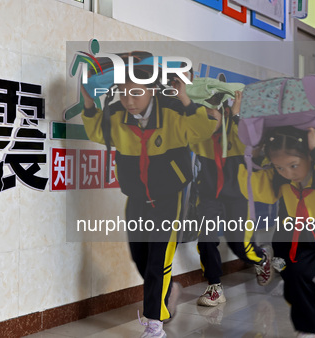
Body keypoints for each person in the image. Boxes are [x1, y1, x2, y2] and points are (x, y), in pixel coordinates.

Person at [81, 56, 218, 338]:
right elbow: (97, 132)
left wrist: (185, 100)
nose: (129, 100)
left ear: (152, 90)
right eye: (123, 92)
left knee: (158, 261)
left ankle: (154, 324)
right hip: (137, 198)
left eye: (135, 92)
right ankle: (170, 293)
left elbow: (204, 129)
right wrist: (88, 103)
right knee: (140, 257)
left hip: (169, 198)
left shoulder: (172, 114)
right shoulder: (118, 117)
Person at [239, 126, 315, 337]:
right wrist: (254, 157)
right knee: (293, 274)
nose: (288, 173)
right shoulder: (281, 166)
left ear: (310, 155)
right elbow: (259, 192)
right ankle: (308, 329)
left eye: (294, 165)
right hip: (302, 230)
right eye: (280, 167)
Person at [191, 90, 274, 307]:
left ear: (225, 113)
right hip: (210, 195)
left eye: (211, 117)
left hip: (238, 196)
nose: (207, 123)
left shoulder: (238, 132)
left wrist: (235, 117)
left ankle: (261, 259)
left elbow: (252, 141)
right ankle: (215, 287)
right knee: (206, 239)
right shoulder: (200, 135)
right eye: (204, 117)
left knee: (240, 245)